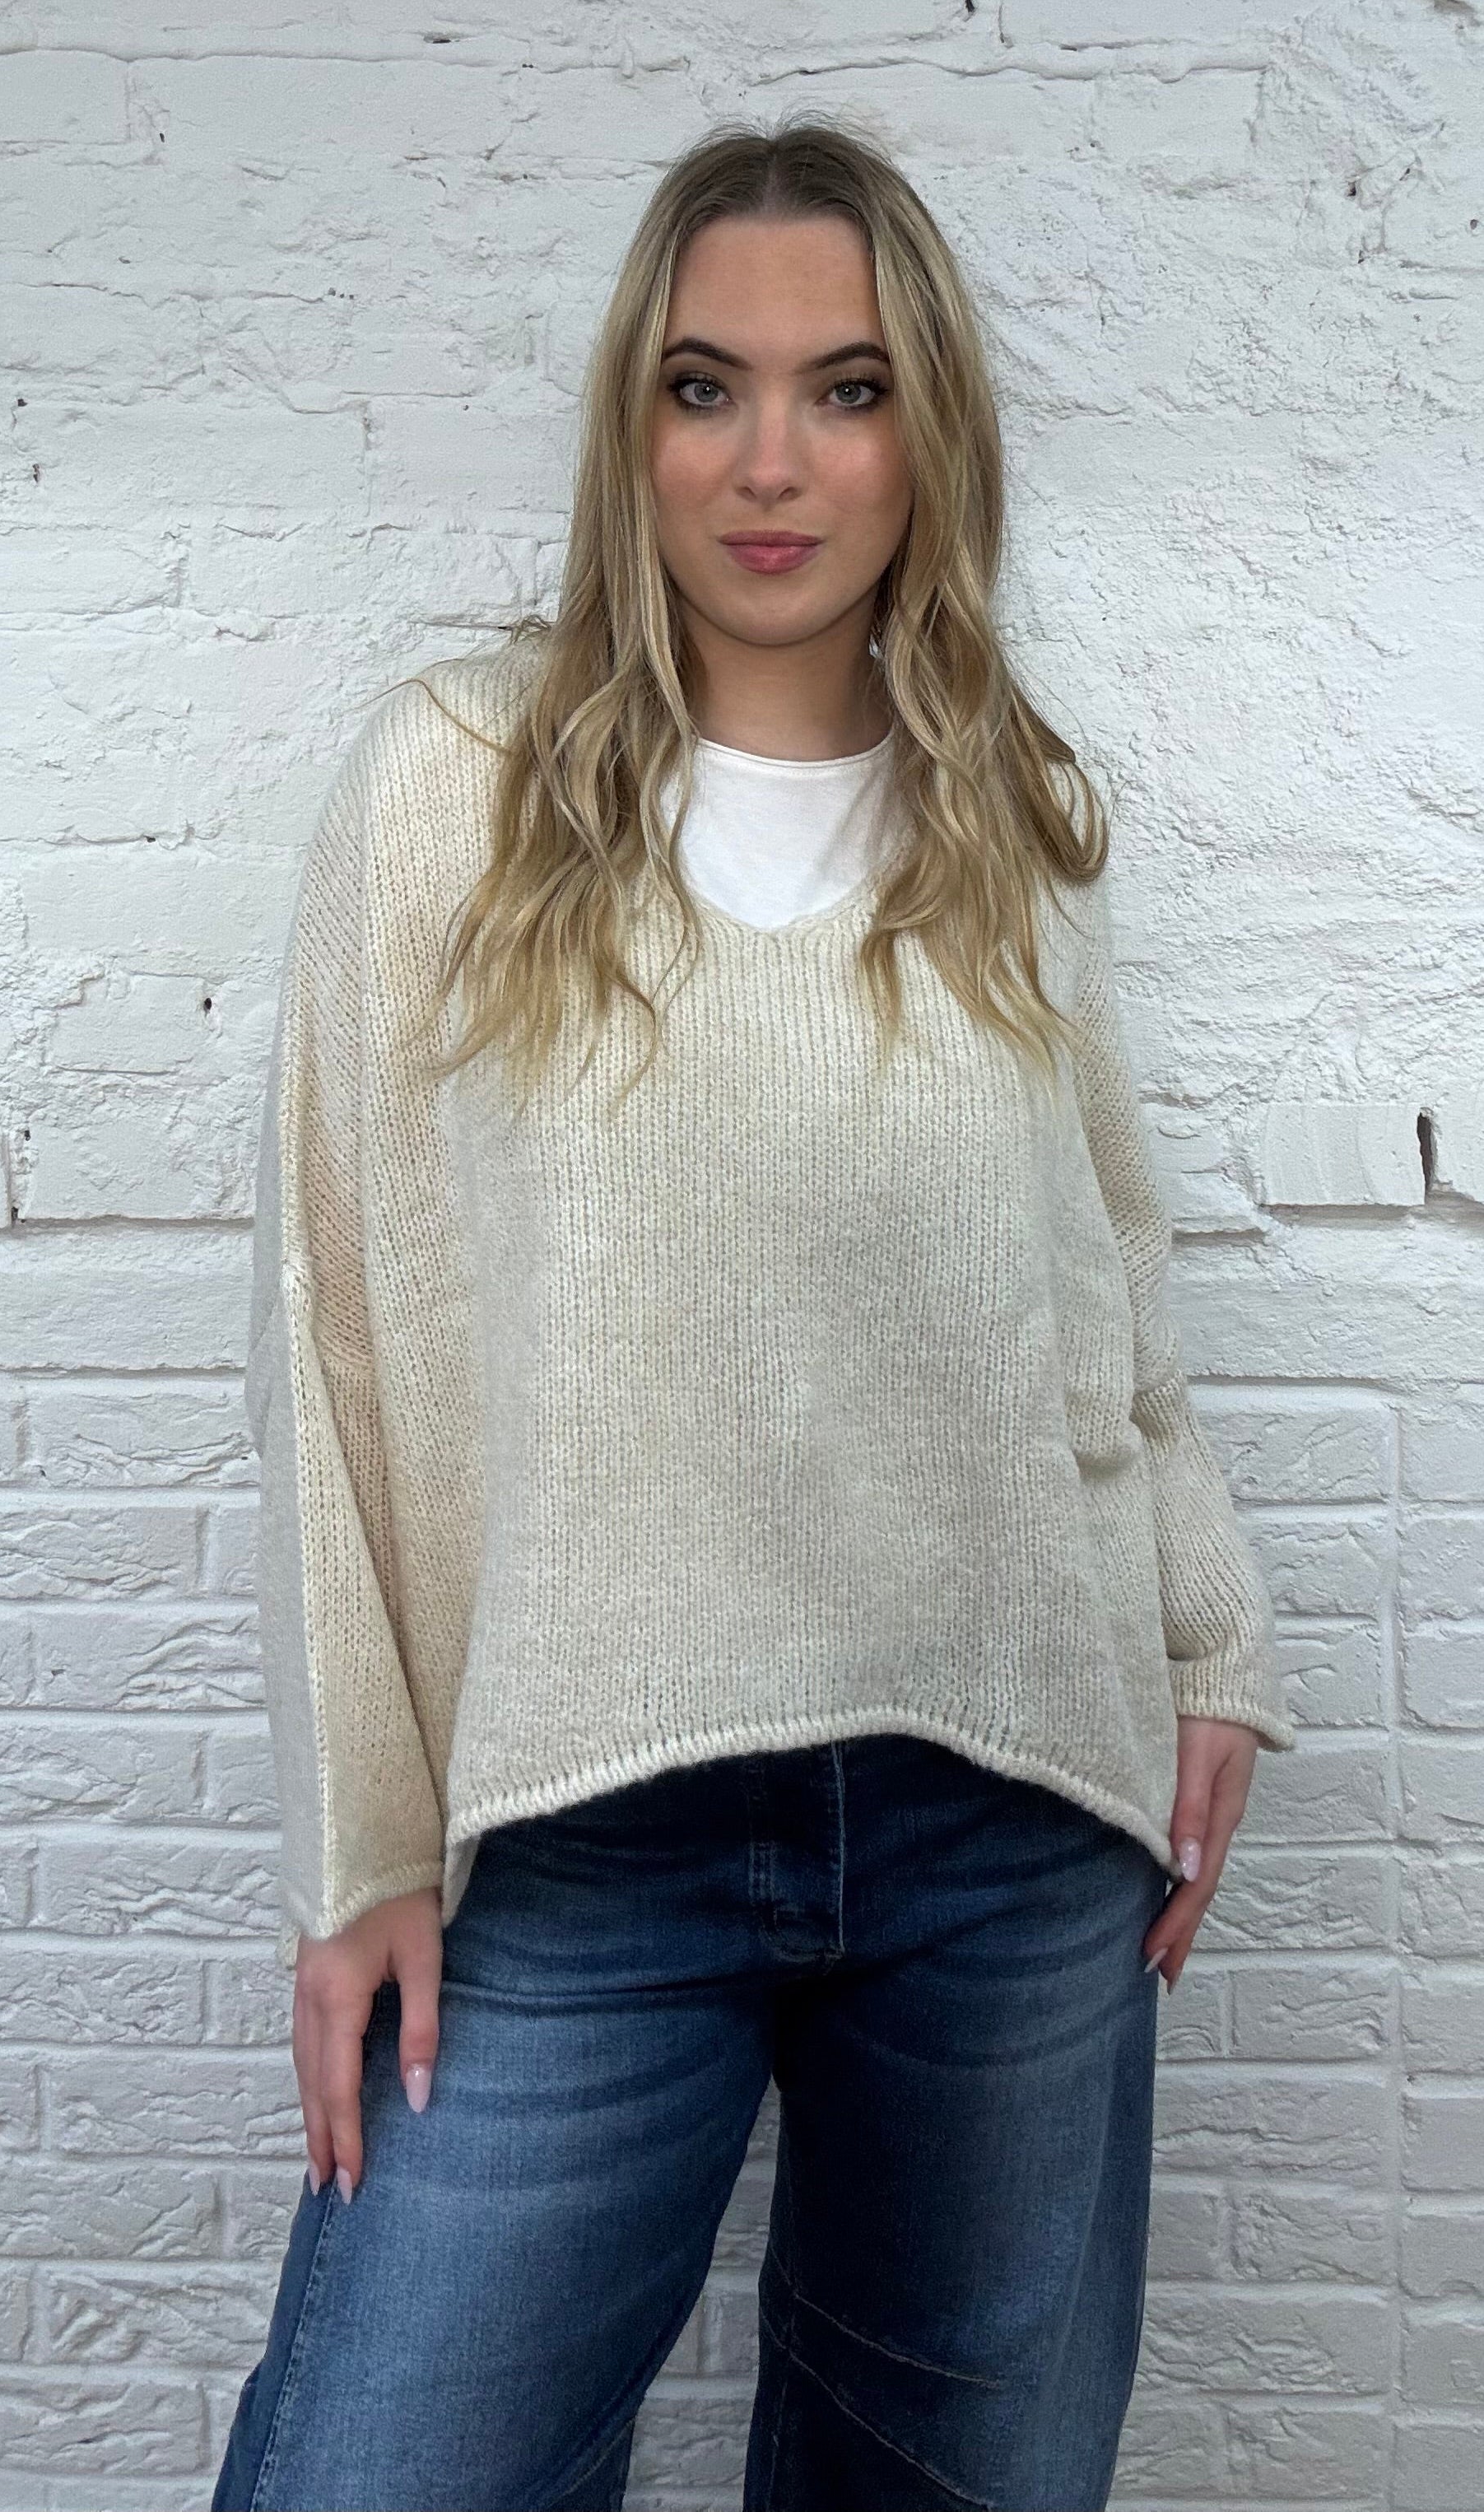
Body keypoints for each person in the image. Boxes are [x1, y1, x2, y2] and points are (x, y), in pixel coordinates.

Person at [212, 114, 1296, 2512]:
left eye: (847, 388)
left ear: (932, 435)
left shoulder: (1004, 816)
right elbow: (339, 1324)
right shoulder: (464, 785)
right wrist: (361, 1845)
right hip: (580, 1829)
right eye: (705, 387)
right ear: (633, 425)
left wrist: (1209, 1631)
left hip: (1011, 1808)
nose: (772, 462)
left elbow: (1103, 1273)